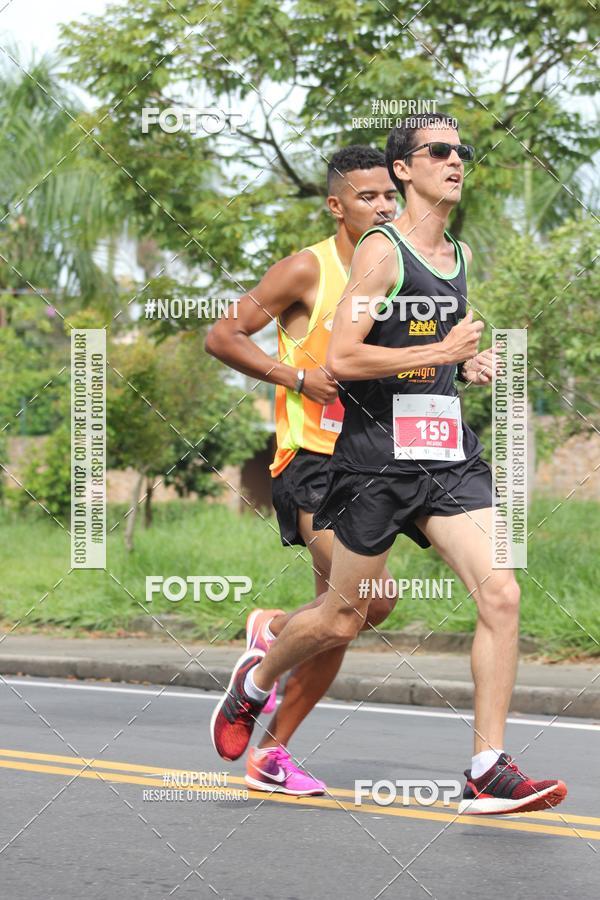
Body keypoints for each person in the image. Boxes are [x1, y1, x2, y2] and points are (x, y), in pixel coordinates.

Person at [210, 114, 567, 816]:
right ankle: (257, 681)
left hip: (444, 455)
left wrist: (464, 363)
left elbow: (426, 352)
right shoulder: (377, 252)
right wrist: (429, 355)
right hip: (368, 464)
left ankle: (487, 768)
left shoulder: (455, 255)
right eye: (439, 151)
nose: (456, 161)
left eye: (462, 151)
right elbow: (342, 359)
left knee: (502, 593)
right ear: (406, 168)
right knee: (347, 615)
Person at [205, 146, 400, 795]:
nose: (384, 206)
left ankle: (272, 746)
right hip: (310, 462)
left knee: (343, 617)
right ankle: (260, 678)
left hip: (370, 466)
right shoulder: (305, 270)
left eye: (390, 195)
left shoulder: (400, 272)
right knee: (364, 599)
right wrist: (295, 376)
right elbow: (223, 335)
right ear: (336, 205)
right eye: (368, 196)